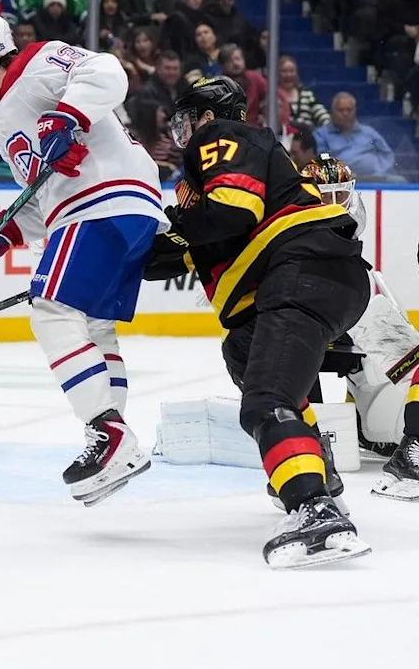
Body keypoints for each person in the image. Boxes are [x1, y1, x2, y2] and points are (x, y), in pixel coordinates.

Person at [0, 9, 166, 506]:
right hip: (111, 207)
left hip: (103, 199)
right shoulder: (4, 127)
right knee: (92, 325)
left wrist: (68, 115)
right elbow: (44, 201)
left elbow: (109, 71)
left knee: (51, 310)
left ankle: (108, 436)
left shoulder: (37, 64)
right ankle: (111, 440)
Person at [158, 76, 371, 567]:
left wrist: (179, 228)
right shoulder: (208, 185)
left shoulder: (223, 139)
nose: (186, 132)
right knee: (243, 350)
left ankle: (314, 506)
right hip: (314, 278)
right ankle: (319, 469)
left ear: (211, 118)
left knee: (265, 401)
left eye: (190, 120)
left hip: (301, 272)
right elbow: (182, 250)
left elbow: (233, 211)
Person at [298, 154, 419, 501]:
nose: (335, 206)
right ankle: (310, 444)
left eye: (341, 195)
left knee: (388, 360)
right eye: (325, 196)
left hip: (339, 321)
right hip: (307, 329)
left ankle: (361, 427)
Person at [314, 92, 396, 180]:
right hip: (340, 183)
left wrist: (379, 172)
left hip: (375, 179)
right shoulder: (321, 135)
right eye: (341, 110)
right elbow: (322, 161)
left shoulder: (369, 132)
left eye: (349, 110)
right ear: (332, 111)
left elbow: (387, 154)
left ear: (355, 111)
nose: (345, 113)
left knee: (399, 181)